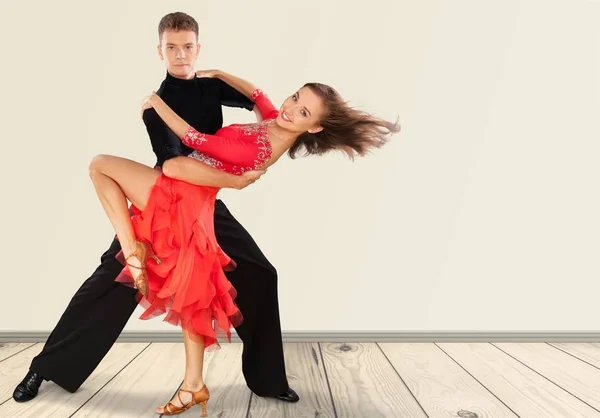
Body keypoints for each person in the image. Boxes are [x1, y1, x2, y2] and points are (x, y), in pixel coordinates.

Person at [12, 11, 299, 406]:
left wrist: (222, 75)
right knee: (112, 281)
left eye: (188, 47)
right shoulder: (156, 105)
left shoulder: (210, 87)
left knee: (259, 272)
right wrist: (234, 178)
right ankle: (43, 369)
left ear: (198, 48)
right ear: (159, 51)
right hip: (163, 199)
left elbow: (257, 103)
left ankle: (269, 380)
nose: (180, 56)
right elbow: (171, 164)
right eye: (171, 48)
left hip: (204, 201)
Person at [89, 68, 399, 415]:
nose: (290, 108)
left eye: (303, 112)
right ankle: (194, 385)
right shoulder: (274, 122)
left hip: (181, 195)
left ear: (312, 128)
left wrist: (155, 102)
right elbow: (257, 94)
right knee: (193, 294)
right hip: (196, 204)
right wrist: (219, 73)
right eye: (296, 97)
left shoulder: (261, 148)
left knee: (100, 166)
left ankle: (132, 251)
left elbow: (192, 139)